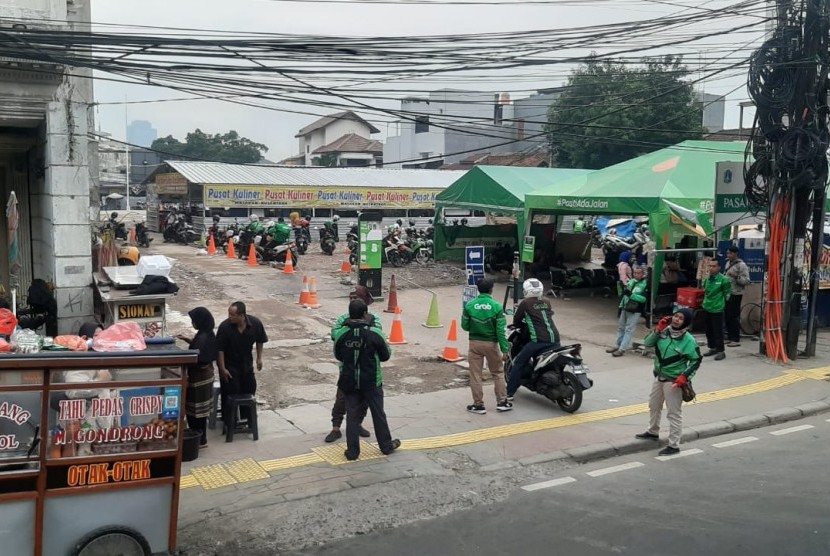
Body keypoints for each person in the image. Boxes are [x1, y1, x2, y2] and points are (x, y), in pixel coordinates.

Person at [334, 299, 400, 461]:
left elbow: (338, 355)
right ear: (365, 314)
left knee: (352, 416)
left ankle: (352, 452)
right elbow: (385, 356)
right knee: (378, 414)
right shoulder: (375, 333)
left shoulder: (341, 333)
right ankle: (385, 446)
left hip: (349, 381)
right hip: (371, 381)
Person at [635, 308, 701, 455]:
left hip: (674, 381)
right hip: (659, 376)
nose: (677, 320)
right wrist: (658, 329)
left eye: (681, 318)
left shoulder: (689, 340)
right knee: (653, 405)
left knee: (674, 413)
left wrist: (685, 376)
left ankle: (674, 445)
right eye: (676, 316)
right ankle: (653, 431)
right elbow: (647, 343)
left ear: (686, 323)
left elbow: (696, 360)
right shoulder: (664, 332)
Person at [325, 286, 379, 443]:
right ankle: (336, 428)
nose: (353, 301)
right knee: (341, 398)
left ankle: (358, 425)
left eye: (357, 298)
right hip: (347, 369)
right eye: (352, 298)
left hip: (366, 370)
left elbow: (378, 335)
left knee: (363, 401)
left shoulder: (374, 318)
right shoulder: (343, 318)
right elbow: (335, 334)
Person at [461, 278, 510, 414]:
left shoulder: (469, 306)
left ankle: (478, 405)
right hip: (492, 344)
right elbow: (501, 331)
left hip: (474, 343)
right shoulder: (497, 307)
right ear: (491, 290)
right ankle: (502, 402)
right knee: (498, 373)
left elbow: (464, 326)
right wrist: (504, 350)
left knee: (475, 374)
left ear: (478, 289)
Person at [506, 278, 560, 402]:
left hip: (538, 341)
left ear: (526, 291)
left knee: (518, 363)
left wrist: (518, 323)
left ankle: (509, 393)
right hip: (555, 339)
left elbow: (517, 321)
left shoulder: (525, 303)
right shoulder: (547, 301)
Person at [216, 302, 268, 425]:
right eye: (229, 314)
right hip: (229, 364)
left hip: (246, 363)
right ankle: (229, 421)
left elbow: (260, 340)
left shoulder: (255, 324)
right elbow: (220, 349)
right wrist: (222, 368)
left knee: (250, 388)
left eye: (232, 315)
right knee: (231, 391)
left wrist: (259, 358)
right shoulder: (225, 327)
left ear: (242, 316)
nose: (229, 317)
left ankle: (247, 417)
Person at [176, 307, 217, 447]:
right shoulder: (206, 333)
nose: (192, 323)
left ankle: (199, 439)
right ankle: (200, 438)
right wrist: (188, 339)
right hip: (205, 376)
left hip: (200, 378)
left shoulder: (203, 338)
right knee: (199, 410)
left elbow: (198, 357)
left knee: (196, 411)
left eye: (194, 320)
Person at [607, 265, 648, 357]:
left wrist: (631, 295)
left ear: (643, 274)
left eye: (638, 273)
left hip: (635, 310)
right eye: (635, 273)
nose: (636, 275)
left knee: (629, 330)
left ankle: (622, 349)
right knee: (621, 328)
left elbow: (644, 299)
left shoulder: (645, 284)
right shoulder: (631, 281)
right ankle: (617, 345)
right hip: (625, 307)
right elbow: (625, 294)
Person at [702, 259, 731, 361]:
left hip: (717, 308)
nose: (711, 268)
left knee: (718, 331)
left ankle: (721, 351)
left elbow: (727, 294)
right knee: (708, 330)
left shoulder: (724, 280)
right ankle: (712, 348)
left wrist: (722, 304)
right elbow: (705, 290)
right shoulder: (707, 279)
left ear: (719, 267)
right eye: (710, 266)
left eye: (714, 266)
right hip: (707, 307)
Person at [724, 246, 750, 347]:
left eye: (730, 253)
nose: (728, 255)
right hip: (727, 293)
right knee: (727, 315)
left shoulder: (741, 265)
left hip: (736, 293)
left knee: (734, 316)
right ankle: (729, 337)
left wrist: (736, 277)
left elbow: (747, 280)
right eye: (727, 253)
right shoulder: (728, 263)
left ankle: (735, 338)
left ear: (735, 254)